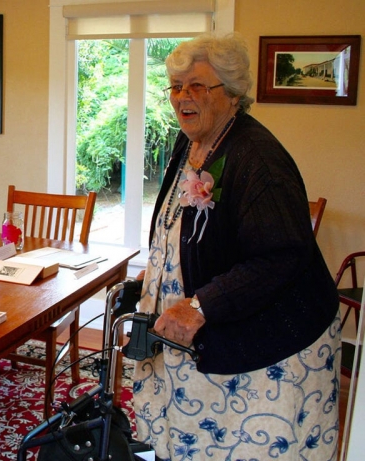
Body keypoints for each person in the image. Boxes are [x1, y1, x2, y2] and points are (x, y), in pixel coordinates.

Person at [133, 33, 341, 461]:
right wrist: (158, 269)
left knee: (243, 446)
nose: (181, 97)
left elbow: (280, 255)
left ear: (231, 94)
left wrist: (200, 306)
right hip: (193, 334)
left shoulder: (258, 158)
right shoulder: (191, 141)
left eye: (196, 86)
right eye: (175, 86)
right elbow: (183, 223)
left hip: (266, 348)